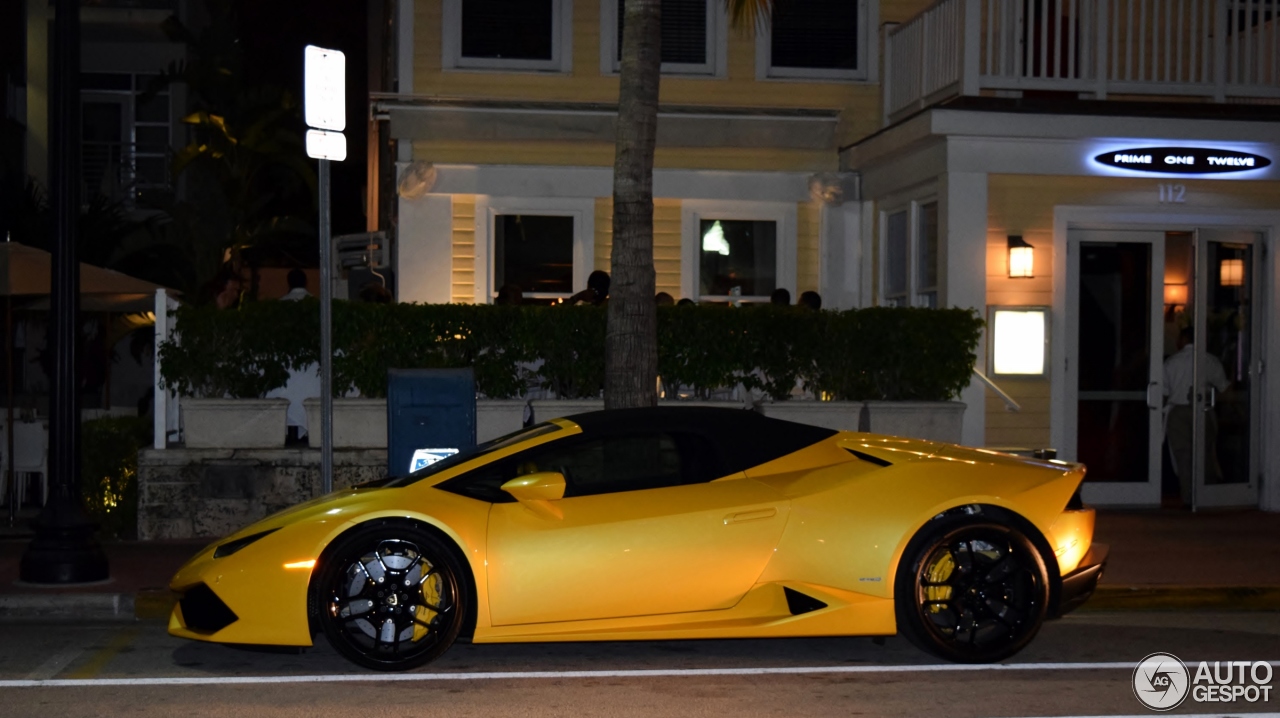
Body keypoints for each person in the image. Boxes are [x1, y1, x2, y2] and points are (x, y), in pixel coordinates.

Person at [1162, 326, 1229, 504]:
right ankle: (1207, 497)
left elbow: (1163, 391)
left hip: (1178, 412)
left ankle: (1188, 497)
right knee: (1205, 454)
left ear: (1183, 339)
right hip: (1203, 410)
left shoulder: (1171, 362)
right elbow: (1223, 388)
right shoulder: (1210, 361)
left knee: (1183, 456)